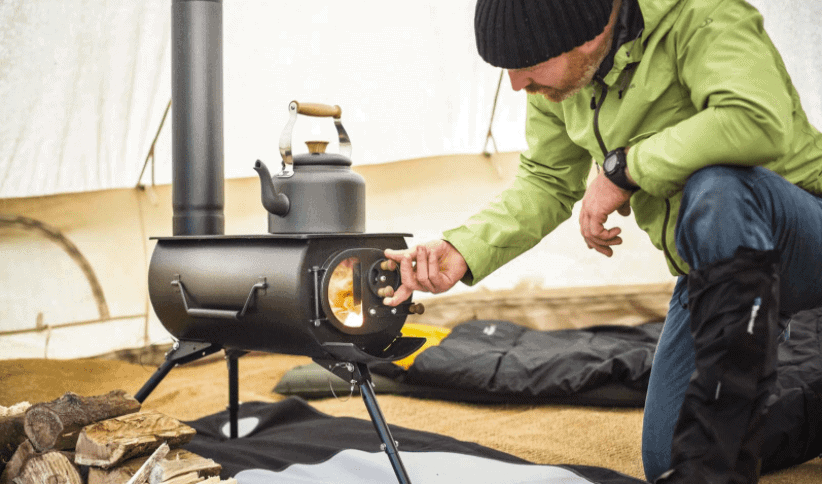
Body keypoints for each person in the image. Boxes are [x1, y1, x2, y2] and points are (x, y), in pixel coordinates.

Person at [382, 0, 822, 482]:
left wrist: (625, 169)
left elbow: (756, 120)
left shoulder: (703, 15)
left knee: (717, 186)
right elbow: (547, 179)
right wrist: (462, 249)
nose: (517, 83)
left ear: (588, 36)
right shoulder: (559, 78)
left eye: (526, 66)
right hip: (712, 271)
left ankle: (723, 435)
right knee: (671, 457)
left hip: (802, 230)